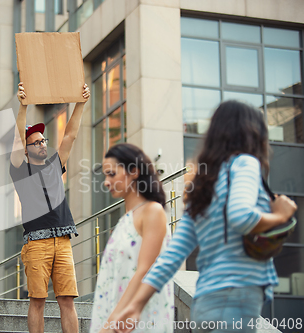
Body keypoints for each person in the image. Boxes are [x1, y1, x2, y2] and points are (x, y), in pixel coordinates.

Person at [113, 100, 298, 333]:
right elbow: (241, 217)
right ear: (252, 132)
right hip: (238, 296)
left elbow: (172, 256)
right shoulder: (245, 163)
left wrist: (136, 304)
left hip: (204, 305)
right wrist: (280, 216)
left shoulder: (202, 185)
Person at [10, 82, 90, 333]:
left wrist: (81, 103)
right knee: (38, 301)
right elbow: (15, 142)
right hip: (36, 244)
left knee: (67, 301)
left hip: (63, 240)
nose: (43, 144)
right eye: (36, 142)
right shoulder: (20, 171)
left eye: (43, 140)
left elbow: (70, 135)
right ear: (26, 149)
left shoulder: (56, 164)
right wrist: (23, 105)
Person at [90, 143, 174, 333]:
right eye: (105, 175)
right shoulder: (124, 221)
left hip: (135, 319)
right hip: (116, 315)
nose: (106, 181)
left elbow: (145, 269)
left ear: (134, 172)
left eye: (111, 174)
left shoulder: (152, 211)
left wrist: (110, 325)